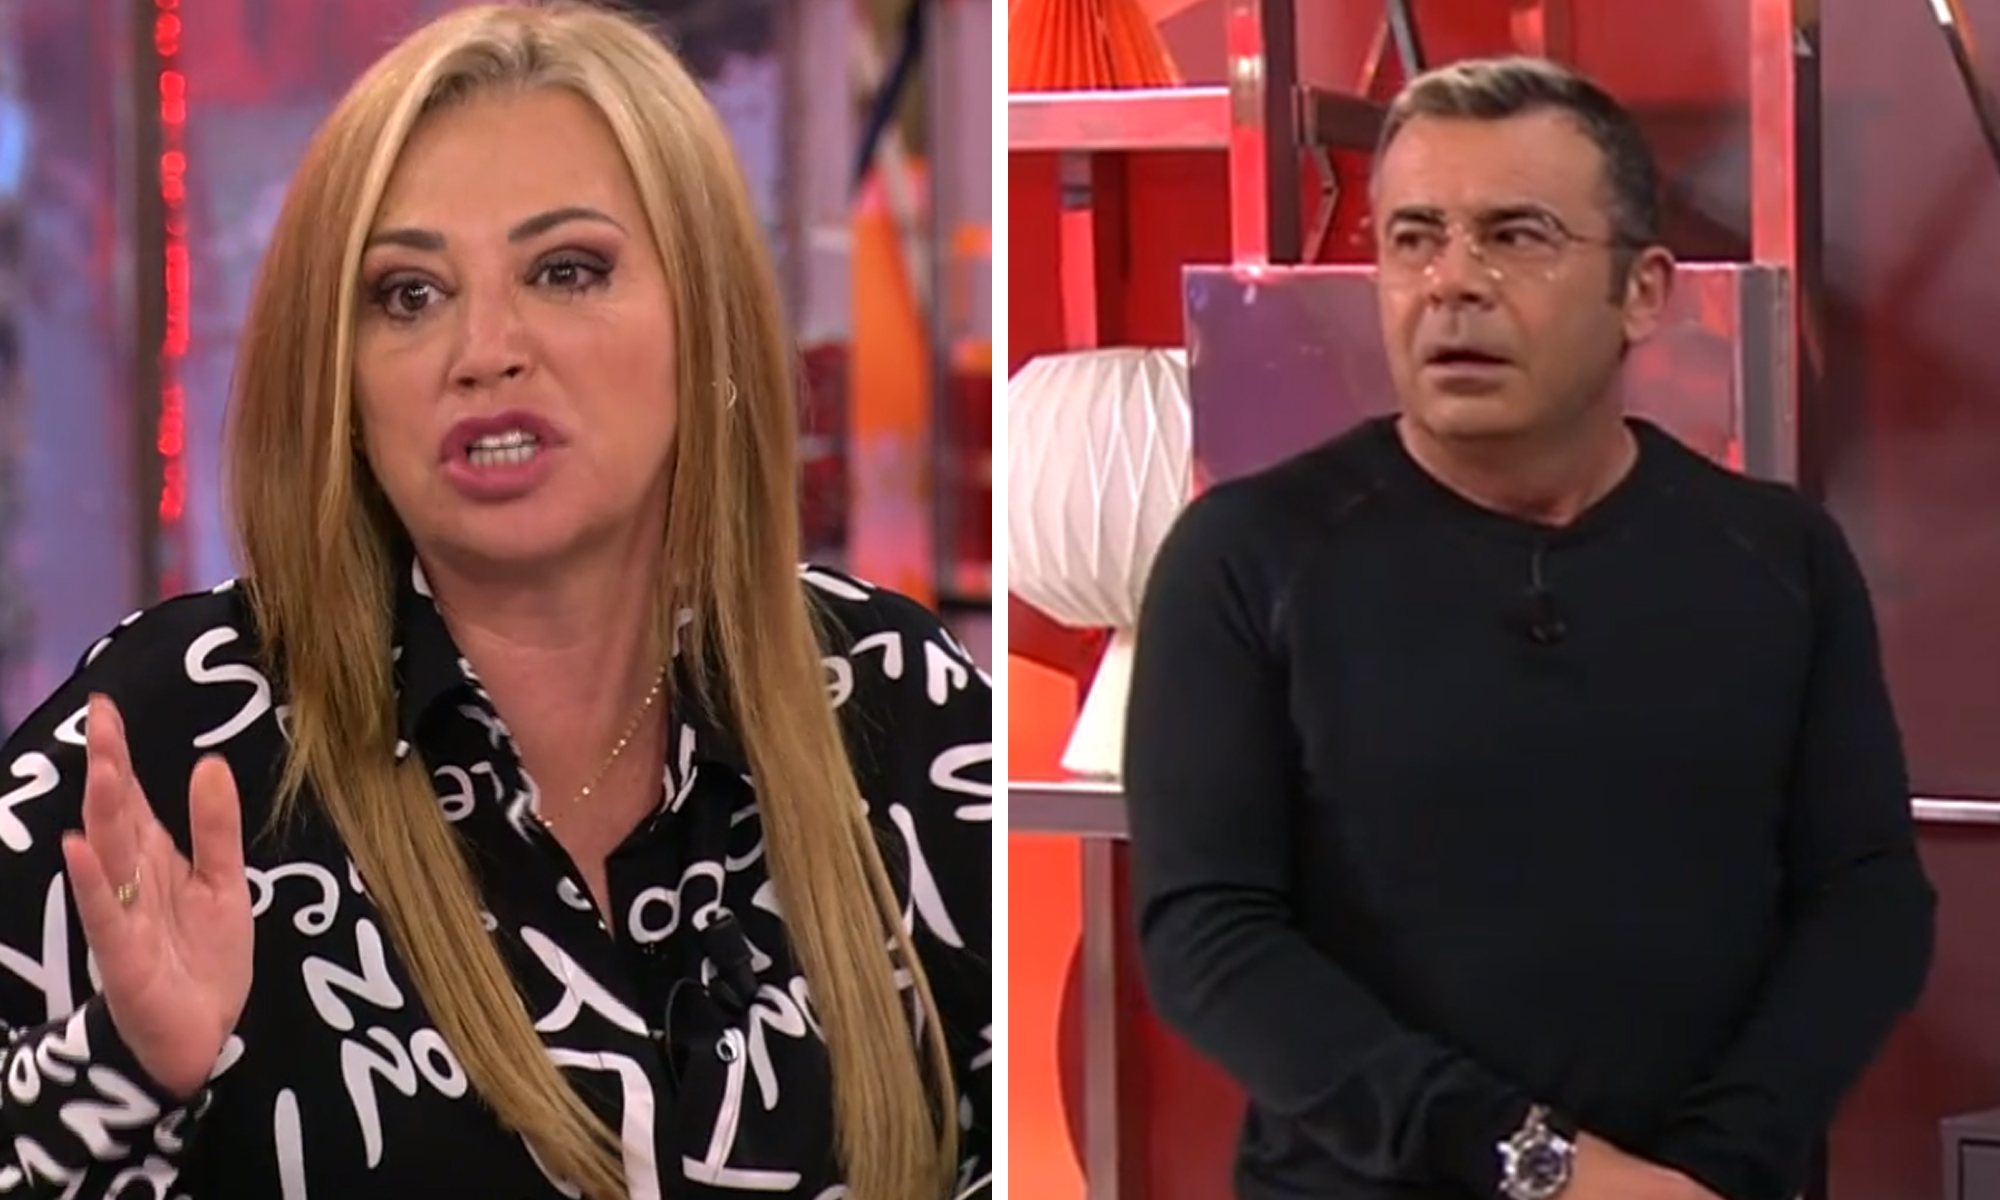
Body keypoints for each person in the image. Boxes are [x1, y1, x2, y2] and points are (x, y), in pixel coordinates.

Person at [0, 4, 991, 1197]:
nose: (484, 348)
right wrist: (123, 1073)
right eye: (408, 295)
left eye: (566, 271)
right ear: (340, 381)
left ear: (709, 322)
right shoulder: (164, 737)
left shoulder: (894, 706)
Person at [1124, 56, 1933, 1200]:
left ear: (1640, 292)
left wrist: (1703, 1174)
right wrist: (1541, 1168)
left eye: (1514, 235)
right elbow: (1207, 936)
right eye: (1412, 239)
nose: (1452, 282)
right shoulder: (1244, 554)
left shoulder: (1778, 557)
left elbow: (1866, 899)